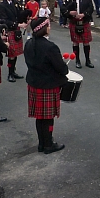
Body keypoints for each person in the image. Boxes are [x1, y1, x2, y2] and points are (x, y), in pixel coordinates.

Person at [24, 17, 69, 154]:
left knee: (40, 117)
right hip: (48, 85)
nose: (50, 28)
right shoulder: (50, 47)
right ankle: (49, 144)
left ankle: (42, 144)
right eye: (48, 26)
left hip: (34, 82)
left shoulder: (28, 44)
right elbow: (62, 69)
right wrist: (62, 65)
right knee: (48, 118)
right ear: (44, 29)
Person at [0, 0, 28, 82]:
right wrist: (17, 24)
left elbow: (19, 14)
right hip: (9, 30)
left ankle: (13, 72)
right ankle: (10, 73)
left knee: (15, 53)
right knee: (11, 54)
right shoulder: (1, 6)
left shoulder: (15, 2)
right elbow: (3, 20)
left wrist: (26, 17)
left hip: (16, 30)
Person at [62, 0, 95, 69]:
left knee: (86, 42)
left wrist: (84, 14)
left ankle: (88, 60)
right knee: (75, 42)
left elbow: (91, 8)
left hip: (84, 21)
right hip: (74, 22)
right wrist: (70, 13)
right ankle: (77, 60)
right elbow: (63, 9)